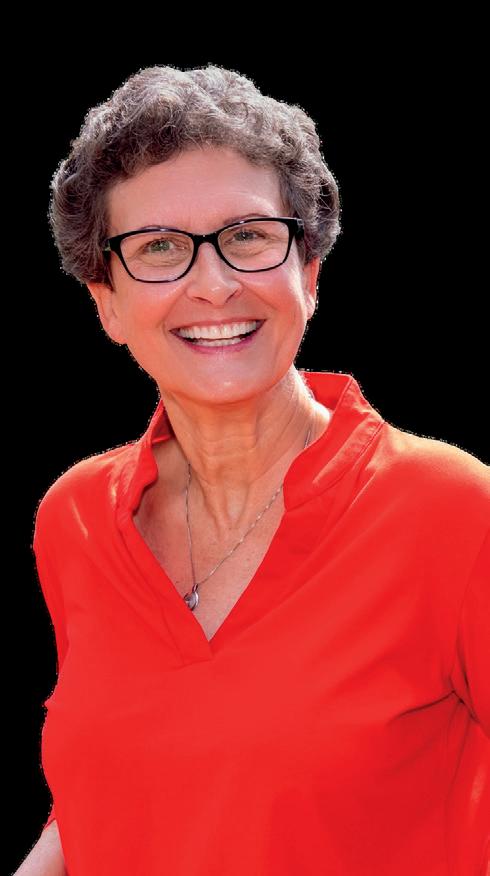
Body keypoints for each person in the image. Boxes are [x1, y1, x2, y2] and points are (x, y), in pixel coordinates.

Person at [21, 64, 489, 875]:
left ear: (308, 270)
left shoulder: (453, 511)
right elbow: (113, 790)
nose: (213, 285)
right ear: (106, 303)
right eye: (159, 248)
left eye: (248, 236)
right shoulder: (76, 517)